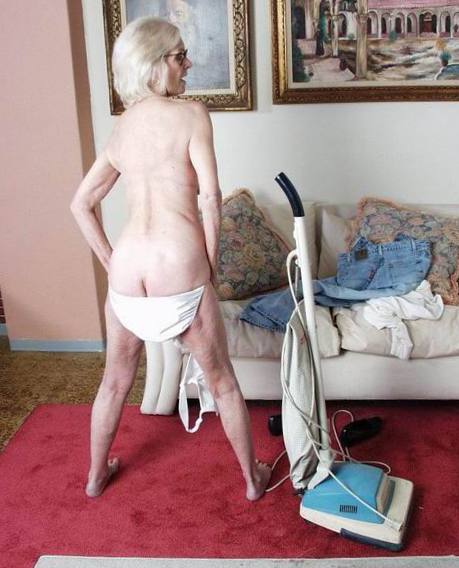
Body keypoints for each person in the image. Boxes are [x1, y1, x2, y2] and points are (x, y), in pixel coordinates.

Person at [70, 17, 271, 501]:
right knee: (222, 382)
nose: (188, 64)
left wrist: (111, 264)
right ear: (155, 63)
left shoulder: (123, 127)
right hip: (178, 267)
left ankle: (95, 476)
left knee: (114, 383)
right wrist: (210, 267)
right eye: (180, 56)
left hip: (127, 275)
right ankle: (251, 480)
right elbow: (211, 198)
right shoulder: (193, 115)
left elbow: (80, 204)